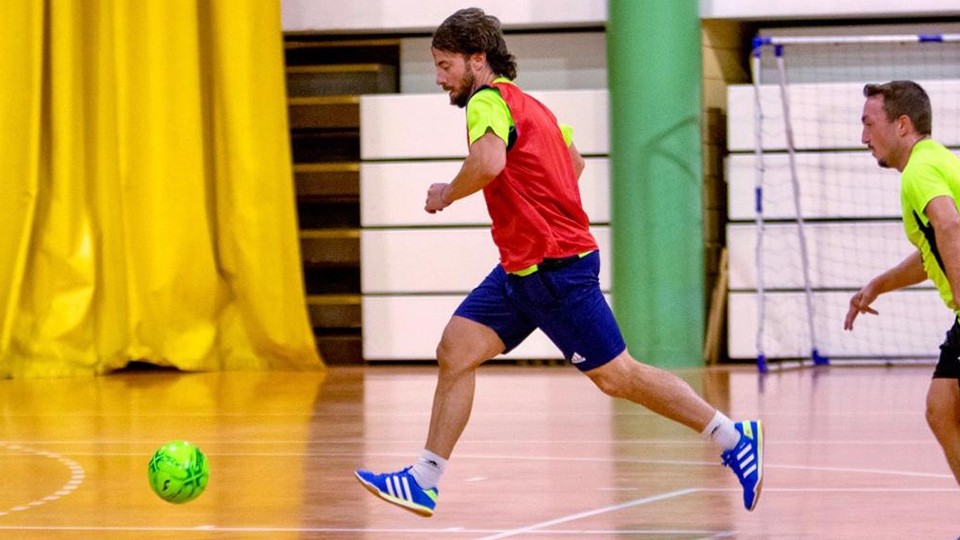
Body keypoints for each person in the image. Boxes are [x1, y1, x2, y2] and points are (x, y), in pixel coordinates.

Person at [354, 7, 764, 517]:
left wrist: (446, 193)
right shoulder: (536, 109)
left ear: (477, 60)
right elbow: (574, 163)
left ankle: (732, 436)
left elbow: (487, 163)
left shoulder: (485, 103)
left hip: (553, 271)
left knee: (619, 377)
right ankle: (424, 479)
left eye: (445, 65)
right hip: (521, 270)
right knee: (455, 350)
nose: (440, 78)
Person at [846, 80, 960, 487]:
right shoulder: (935, 160)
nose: (863, 137)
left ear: (902, 125)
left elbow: (949, 224)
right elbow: (934, 254)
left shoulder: (919, 171)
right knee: (942, 408)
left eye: (869, 123)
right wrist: (879, 284)